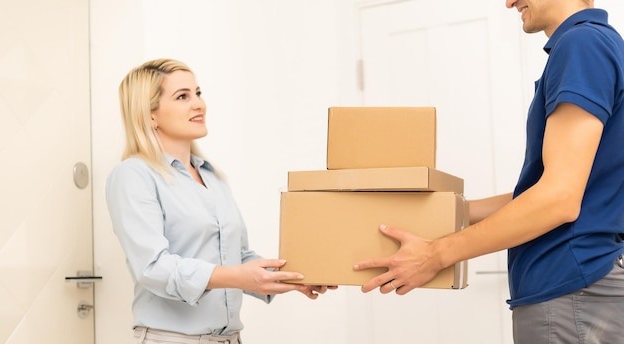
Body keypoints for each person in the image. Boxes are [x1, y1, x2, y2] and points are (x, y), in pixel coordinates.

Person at [354, 1, 624, 343]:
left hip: (570, 289)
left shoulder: (582, 45)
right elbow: (560, 190)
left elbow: (558, 199)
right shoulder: (596, 44)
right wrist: (444, 213)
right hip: (575, 290)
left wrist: (436, 255)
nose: (509, 1)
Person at [106, 58, 334, 344]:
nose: (199, 104)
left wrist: (292, 277)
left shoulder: (213, 177)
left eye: (198, 93)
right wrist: (237, 277)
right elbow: (152, 268)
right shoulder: (133, 175)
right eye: (182, 97)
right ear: (150, 114)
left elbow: (237, 258)